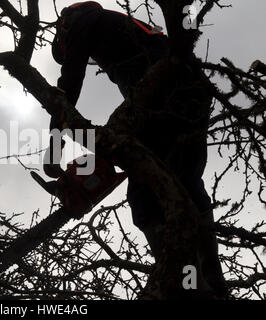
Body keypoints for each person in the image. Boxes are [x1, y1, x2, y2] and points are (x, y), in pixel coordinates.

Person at [48, 1, 228, 298]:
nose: (91, 57)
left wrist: (55, 148)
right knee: (185, 183)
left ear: (65, 28)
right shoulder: (125, 31)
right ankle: (211, 283)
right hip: (191, 96)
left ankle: (186, 285)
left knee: (145, 195)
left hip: (163, 98)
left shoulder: (83, 20)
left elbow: (68, 85)